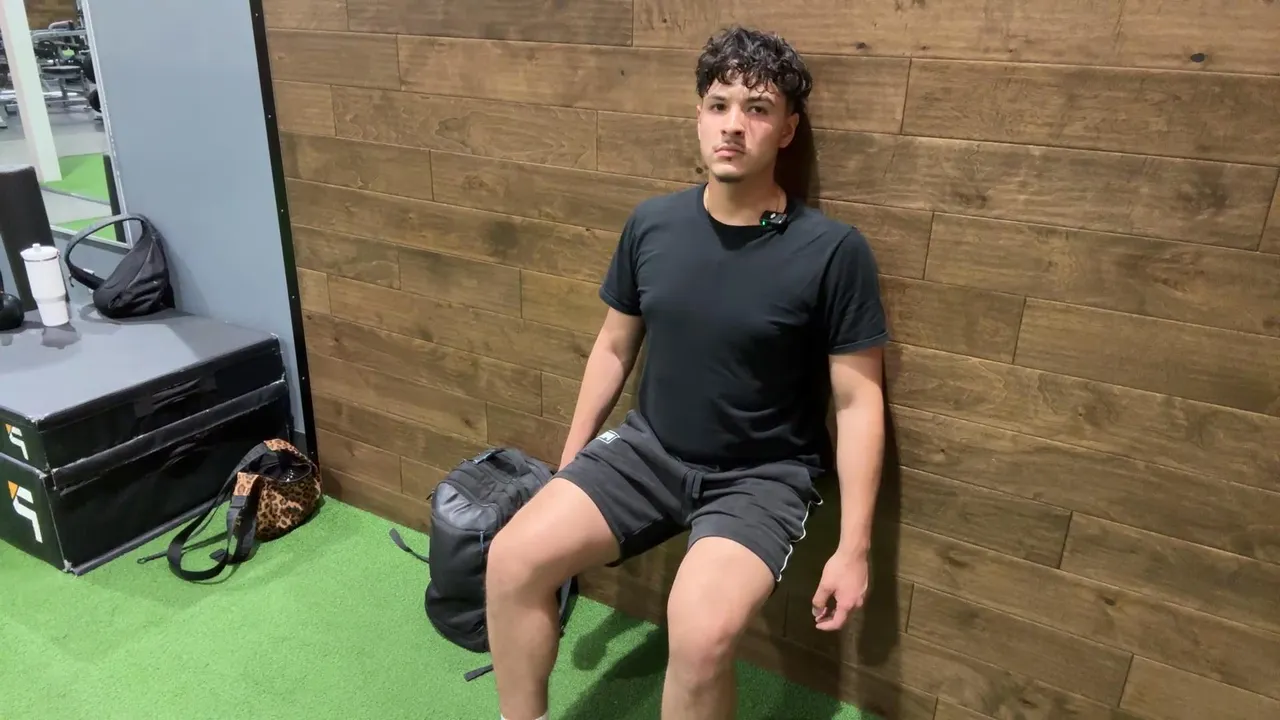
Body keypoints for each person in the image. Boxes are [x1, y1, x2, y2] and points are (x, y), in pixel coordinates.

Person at [484, 25, 889, 720]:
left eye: (757, 109)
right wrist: (572, 459)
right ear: (699, 116)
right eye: (719, 104)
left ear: (787, 130)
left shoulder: (833, 251)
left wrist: (855, 548)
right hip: (648, 450)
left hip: (761, 477)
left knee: (700, 640)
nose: (733, 125)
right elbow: (614, 347)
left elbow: (858, 403)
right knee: (512, 559)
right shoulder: (653, 224)